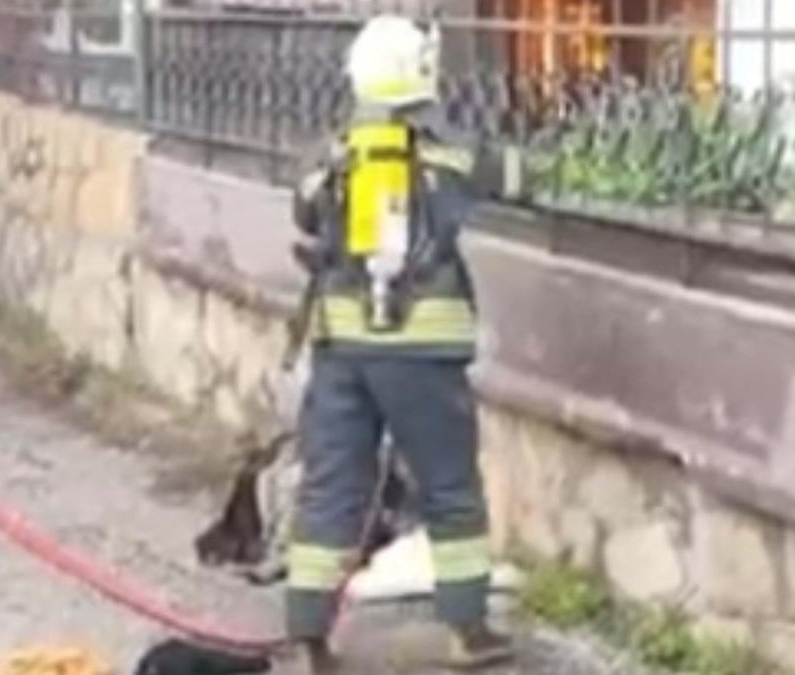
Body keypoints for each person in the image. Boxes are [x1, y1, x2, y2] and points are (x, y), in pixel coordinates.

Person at [285, 14, 515, 673]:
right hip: (422, 354)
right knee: (449, 488)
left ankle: (308, 637)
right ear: (423, 75)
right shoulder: (451, 155)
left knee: (331, 487)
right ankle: (467, 631)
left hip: (342, 349)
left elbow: (304, 214)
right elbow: (512, 175)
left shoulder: (329, 157)